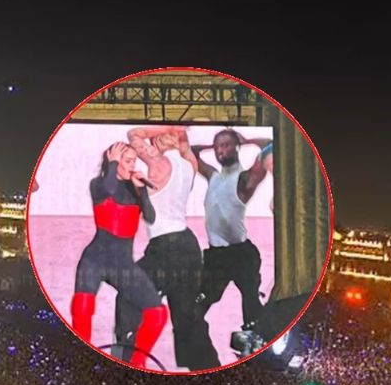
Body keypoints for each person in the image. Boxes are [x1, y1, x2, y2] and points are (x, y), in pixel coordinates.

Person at [112, 126, 219, 370]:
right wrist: (179, 133)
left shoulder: (159, 163)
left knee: (128, 295)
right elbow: (184, 145)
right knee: (187, 319)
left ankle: (127, 361)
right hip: (188, 247)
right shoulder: (188, 164)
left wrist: (167, 128)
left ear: (159, 140)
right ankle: (205, 368)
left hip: (166, 247)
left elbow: (133, 134)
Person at [72, 142, 168, 368]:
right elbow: (109, 189)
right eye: (127, 160)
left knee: (157, 313)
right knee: (82, 308)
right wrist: (114, 164)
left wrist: (141, 189)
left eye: (134, 161)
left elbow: (151, 217)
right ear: (113, 160)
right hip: (95, 259)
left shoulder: (133, 188)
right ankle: (81, 361)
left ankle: (137, 364)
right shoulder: (98, 184)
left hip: (122, 263)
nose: (132, 165)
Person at [186, 129, 273, 330]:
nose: (221, 150)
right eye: (218, 146)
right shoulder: (213, 177)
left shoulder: (244, 179)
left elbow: (270, 144)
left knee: (251, 307)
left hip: (241, 254)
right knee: (198, 304)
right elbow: (190, 152)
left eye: (226, 145)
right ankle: (196, 350)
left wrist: (247, 140)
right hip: (216, 256)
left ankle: (255, 345)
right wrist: (212, 145)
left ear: (237, 148)